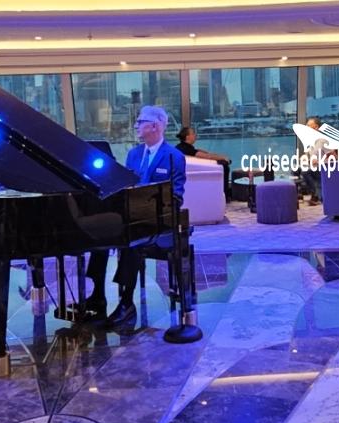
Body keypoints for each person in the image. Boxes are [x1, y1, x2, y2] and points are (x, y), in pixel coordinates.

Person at [83, 105, 186, 330]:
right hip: (133, 218)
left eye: (140, 122)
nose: (136, 125)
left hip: (159, 223)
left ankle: (126, 302)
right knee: (101, 235)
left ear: (155, 126)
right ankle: (97, 295)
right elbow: (126, 185)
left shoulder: (174, 157)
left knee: (132, 240)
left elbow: (177, 197)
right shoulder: (134, 154)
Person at [177, 125, 232, 196]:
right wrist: (224, 158)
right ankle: (224, 194)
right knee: (224, 166)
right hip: (193, 171)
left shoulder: (180, 147)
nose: (195, 135)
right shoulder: (187, 149)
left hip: (185, 172)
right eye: (193, 133)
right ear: (187, 137)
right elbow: (207, 156)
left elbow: (203, 153)